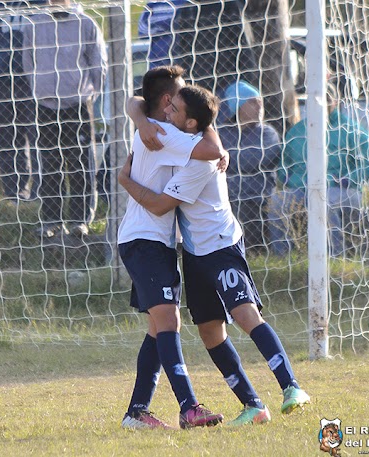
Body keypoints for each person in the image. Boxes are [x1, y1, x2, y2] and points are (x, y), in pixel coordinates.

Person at [120, 83, 311, 427]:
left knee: (245, 314)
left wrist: (125, 179)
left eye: (174, 110)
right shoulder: (183, 140)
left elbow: (162, 205)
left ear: (191, 124)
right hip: (194, 254)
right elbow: (137, 103)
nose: (167, 112)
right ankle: (253, 404)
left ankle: (292, 387)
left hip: (221, 246)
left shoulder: (200, 160)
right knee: (210, 331)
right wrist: (140, 117)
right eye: (169, 106)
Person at [118, 66, 227, 430]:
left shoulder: (153, 125)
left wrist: (137, 112)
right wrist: (218, 144)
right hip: (145, 239)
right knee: (168, 320)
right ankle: (188, 407)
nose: (180, 103)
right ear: (167, 102)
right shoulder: (164, 131)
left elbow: (135, 102)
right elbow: (210, 148)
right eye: (180, 98)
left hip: (151, 239)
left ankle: (137, 412)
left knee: (157, 327)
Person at [22, 0, 107, 238]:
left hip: (77, 106)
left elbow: (98, 63)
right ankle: (51, 221)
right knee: (49, 165)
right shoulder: (34, 24)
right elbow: (28, 62)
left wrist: (91, 96)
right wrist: (40, 89)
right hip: (46, 106)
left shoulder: (86, 23)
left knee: (81, 164)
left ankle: (80, 221)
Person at [268, 87, 369, 257]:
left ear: (334, 102)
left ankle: (334, 257)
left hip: (341, 190)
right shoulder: (297, 131)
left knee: (323, 201)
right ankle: (283, 257)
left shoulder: (351, 130)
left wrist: (346, 180)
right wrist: (290, 180)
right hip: (301, 190)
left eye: (325, 99)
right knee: (277, 202)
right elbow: (284, 165)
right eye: (314, 98)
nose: (319, 103)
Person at [0, 1, 46, 201]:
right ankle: (14, 192)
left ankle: (40, 193)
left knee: (39, 139)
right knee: (4, 140)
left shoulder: (42, 5)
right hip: (0, 82)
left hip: (32, 82)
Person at [219, 80, 281, 253]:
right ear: (237, 106)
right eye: (253, 101)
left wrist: (225, 157)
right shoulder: (222, 132)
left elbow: (251, 160)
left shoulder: (268, 133)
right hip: (227, 193)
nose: (260, 105)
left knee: (244, 207)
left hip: (258, 195)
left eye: (260, 100)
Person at [137, 0, 187, 69]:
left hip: (180, 59)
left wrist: (157, 26)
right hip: (156, 63)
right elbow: (142, 31)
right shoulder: (153, 3)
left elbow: (184, 26)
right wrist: (166, 26)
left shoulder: (185, 2)